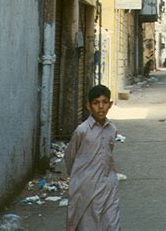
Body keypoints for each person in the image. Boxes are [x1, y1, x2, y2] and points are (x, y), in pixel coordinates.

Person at [64, 84, 120, 230]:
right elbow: (70, 157)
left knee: (112, 222)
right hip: (86, 187)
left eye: (104, 102)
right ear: (89, 106)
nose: (101, 107)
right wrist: (79, 177)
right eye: (96, 103)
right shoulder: (82, 131)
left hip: (108, 184)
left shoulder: (112, 129)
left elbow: (109, 153)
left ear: (110, 104)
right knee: (88, 224)